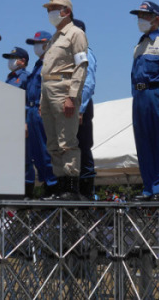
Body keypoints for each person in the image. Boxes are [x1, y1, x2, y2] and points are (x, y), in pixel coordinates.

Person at [40, 0, 88, 200]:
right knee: (53, 143)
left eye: (54, 8)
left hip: (63, 88)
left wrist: (72, 95)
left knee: (66, 141)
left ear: (66, 11)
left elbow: (81, 65)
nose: (50, 12)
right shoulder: (54, 38)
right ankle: (60, 186)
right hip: (48, 89)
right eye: (49, 8)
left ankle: (71, 186)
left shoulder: (76, 34)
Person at [129, 1, 159, 202]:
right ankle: (148, 187)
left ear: (157, 18)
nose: (141, 19)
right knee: (143, 142)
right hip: (139, 97)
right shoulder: (139, 45)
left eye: (145, 15)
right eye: (139, 15)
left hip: (157, 94)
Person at [24, 30, 58, 199]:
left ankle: (53, 186)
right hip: (31, 111)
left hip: (42, 110)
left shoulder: (51, 63)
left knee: (46, 151)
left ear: (47, 44)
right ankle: (45, 184)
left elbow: (52, 88)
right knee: (35, 153)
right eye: (34, 43)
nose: (36, 47)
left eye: (39, 43)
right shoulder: (37, 65)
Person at [73, 19, 98, 200]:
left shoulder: (85, 53)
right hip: (66, 106)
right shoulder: (66, 55)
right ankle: (72, 189)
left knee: (83, 147)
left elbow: (88, 83)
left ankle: (86, 192)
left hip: (80, 105)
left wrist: (80, 109)